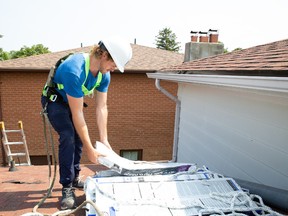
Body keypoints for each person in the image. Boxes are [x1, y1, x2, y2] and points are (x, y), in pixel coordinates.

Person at [41, 39, 132, 210]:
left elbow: (102, 108)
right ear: (104, 54)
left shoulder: (104, 75)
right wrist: (91, 149)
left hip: (73, 103)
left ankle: (75, 178)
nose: (114, 69)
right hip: (56, 101)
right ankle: (67, 187)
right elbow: (77, 113)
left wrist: (104, 140)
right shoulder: (74, 70)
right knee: (69, 135)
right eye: (114, 63)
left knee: (81, 138)